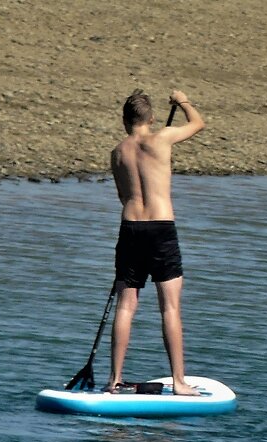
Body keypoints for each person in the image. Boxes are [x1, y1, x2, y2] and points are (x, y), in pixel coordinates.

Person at [105, 89, 204, 395]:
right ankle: (178, 381)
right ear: (151, 118)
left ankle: (114, 380)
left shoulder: (117, 153)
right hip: (161, 227)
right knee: (170, 307)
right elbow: (198, 123)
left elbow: (123, 196)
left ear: (125, 120)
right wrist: (183, 101)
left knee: (126, 307)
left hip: (131, 227)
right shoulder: (162, 138)